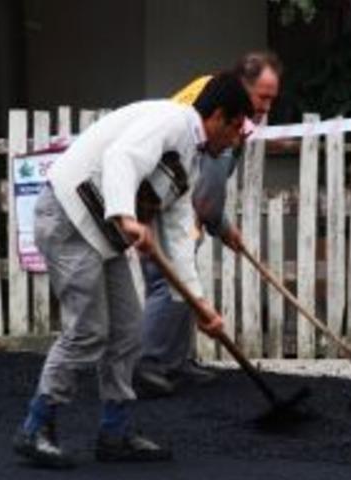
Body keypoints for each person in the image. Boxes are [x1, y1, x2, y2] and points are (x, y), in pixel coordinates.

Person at [12, 72, 254, 468]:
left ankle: (115, 431)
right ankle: (36, 425)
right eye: (235, 129)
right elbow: (121, 158)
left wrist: (199, 306)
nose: (234, 141)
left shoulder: (192, 160)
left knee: (127, 331)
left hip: (102, 236)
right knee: (88, 331)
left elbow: (177, 238)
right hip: (68, 218)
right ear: (219, 117)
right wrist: (125, 215)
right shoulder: (172, 120)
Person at [134, 52, 282, 397]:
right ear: (243, 87)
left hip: (177, 198)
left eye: (272, 98)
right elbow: (209, 189)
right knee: (166, 281)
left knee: (184, 278)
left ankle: (177, 360)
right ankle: (149, 364)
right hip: (160, 199)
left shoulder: (211, 90)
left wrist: (217, 224)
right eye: (262, 97)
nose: (266, 106)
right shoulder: (225, 111)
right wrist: (219, 223)